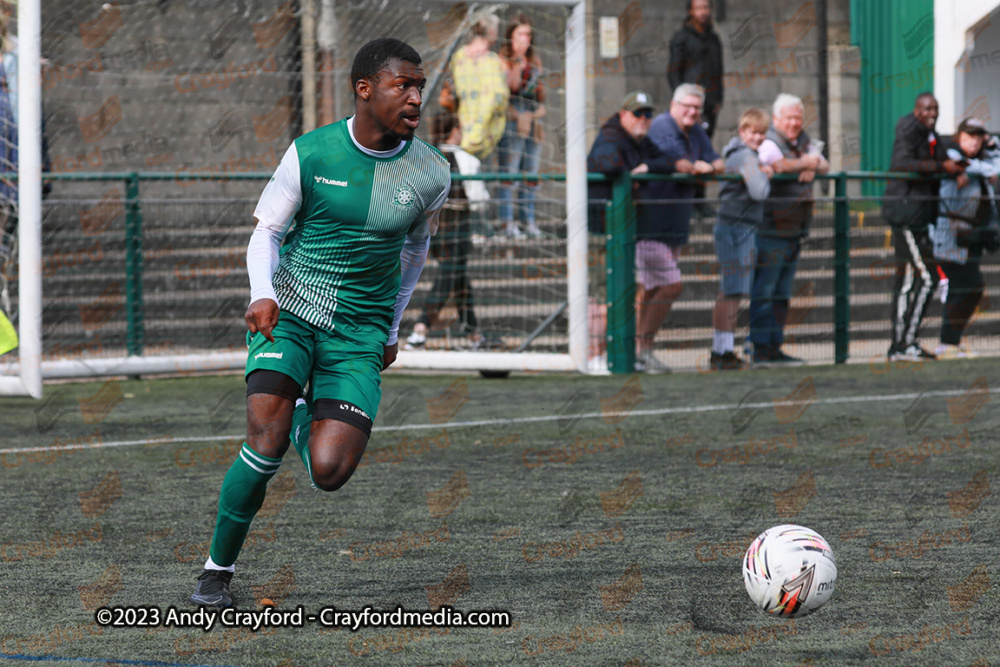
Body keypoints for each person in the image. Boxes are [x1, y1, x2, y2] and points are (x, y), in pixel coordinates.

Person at [190, 38, 450, 607]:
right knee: (265, 440)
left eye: (418, 87)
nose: (415, 97)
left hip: (358, 332)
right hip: (291, 313)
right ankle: (216, 573)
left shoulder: (432, 172)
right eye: (402, 85)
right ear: (365, 89)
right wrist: (262, 295)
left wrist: (390, 329)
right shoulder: (311, 153)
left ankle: (306, 409)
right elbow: (267, 233)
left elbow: (414, 255)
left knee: (329, 472)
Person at [586, 91, 678, 372]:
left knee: (622, 295)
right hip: (601, 230)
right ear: (624, 114)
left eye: (648, 114)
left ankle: (617, 354)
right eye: (638, 114)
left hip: (621, 232)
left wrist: (645, 167)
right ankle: (594, 357)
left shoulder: (638, 139)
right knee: (603, 299)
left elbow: (667, 161)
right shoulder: (611, 136)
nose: (644, 119)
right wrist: (631, 173)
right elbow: (607, 163)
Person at [642, 83, 723, 374]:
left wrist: (705, 167)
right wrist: (696, 167)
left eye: (696, 108)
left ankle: (640, 350)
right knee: (669, 284)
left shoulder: (696, 129)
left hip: (674, 223)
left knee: (653, 288)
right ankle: (640, 348)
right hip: (649, 224)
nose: (692, 112)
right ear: (673, 104)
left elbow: (716, 162)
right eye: (686, 106)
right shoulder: (663, 125)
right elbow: (682, 165)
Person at [883, 93, 967, 361]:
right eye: (927, 108)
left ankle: (903, 344)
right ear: (917, 110)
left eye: (936, 109)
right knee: (927, 277)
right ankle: (903, 343)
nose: (932, 113)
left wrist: (956, 168)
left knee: (909, 280)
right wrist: (942, 166)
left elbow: (943, 158)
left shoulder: (932, 134)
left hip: (920, 218)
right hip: (905, 215)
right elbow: (902, 164)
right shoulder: (909, 129)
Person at [748, 93, 828, 366]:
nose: (795, 122)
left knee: (781, 293)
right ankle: (760, 349)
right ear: (777, 118)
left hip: (795, 230)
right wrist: (806, 163)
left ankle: (774, 346)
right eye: (790, 117)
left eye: (798, 117)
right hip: (771, 230)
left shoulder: (804, 140)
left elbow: (825, 163)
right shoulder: (769, 140)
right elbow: (776, 164)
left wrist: (813, 164)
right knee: (765, 291)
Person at [406, 112, 484, 350]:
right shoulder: (468, 160)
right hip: (458, 228)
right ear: (454, 130)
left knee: (458, 278)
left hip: (433, 229)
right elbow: (479, 199)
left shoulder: (425, 158)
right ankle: (421, 328)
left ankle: (474, 335)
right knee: (450, 276)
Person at [929, 118, 1000, 358]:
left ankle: (952, 342)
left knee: (969, 288)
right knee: (965, 287)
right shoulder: (951, 155)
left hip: (972, 236)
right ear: (959, 136)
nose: (975, 141)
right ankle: (947, 342)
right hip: (949, 236)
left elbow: (994, 164)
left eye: (979, 137)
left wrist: (992, 145)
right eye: (970, 136)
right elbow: (975, 167)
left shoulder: (979, 159)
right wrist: (987, 167)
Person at [710, 108, 773, 371]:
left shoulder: (745, 155)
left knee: (733, 290)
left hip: (741, 226)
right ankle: (720, 351)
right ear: (742, 132)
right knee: (731, 290)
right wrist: (766, 174)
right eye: (752, 132)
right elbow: (759, 191)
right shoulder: (746, 156)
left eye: (761, 133)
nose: (757, 137)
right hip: (735, 227)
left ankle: (724, 347)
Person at [667, 0, 723, 219]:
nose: (703, 12)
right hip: (690, 107)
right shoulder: (681, 38)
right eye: (698, 8)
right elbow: (673, 71)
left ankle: (700, 200)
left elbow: (719, 71)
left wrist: (718, 100)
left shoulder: (714, 38)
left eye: (706, 7)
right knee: (687, 152)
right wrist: (683, 102)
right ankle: (687, 201)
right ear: (691, 11)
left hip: (709, 106)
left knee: (705, 152)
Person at [497, 13, 546, 238]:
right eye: (521, 34)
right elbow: (511, 87)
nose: (526, 39)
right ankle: (507, 222)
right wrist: (517, 59)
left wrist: (535, 115)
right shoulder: (503, 59)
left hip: (532, 117)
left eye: (529, 34)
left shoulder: (535, 60)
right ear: (511, 36)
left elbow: (542, 97)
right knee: (511, 171)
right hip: (511, 117)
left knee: (531, 172)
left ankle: (529, 221)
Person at [442, 15, 508, 163]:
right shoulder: (493, 62)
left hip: (463, 127)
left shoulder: (458, 57)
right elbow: (499, 98)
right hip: (486, 133)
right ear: (491, 31)